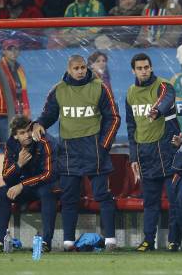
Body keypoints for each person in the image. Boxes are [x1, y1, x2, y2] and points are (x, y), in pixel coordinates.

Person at [32, 55, 120, 251]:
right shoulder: (58, 90)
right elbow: (49, 114)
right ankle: (68, 242)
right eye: (76, 68)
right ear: (69, 69)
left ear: (86, 67)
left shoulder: (99, 87)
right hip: (69, 150)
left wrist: (103, 145)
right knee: (68, 197)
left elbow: (113, 117)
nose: (80, 71)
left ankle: (111, 240)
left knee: (102, 195)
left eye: (82, 67)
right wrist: (38, 124)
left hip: (94, 149)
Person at [125, 53, 182, 251]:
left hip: (168, 151)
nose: (144, 71)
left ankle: (174, 241)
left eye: (146, 67)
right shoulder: (130, 93)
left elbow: (166, 98)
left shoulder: (164, 85)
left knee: (175, 201)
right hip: (145, 154)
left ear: (151, 67)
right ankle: (149, 240)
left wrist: (156, 111)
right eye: (139, 68)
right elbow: (131, 126)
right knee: (150, 202)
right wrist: (133, 156)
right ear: (133, 70)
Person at [0, 116, 58, 252]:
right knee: (2, 192)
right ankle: (0, 241)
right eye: (22, 133)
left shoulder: (43, 141)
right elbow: (6, 176)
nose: (28, 135)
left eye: (28, 131)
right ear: (15, 136)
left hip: (43, 185)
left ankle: (46, 242)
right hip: (26, 189)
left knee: (47, 192)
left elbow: (48, 175)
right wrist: (18, 165)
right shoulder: (11, 145)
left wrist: (22, 185)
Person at [0, 39, 31, 144]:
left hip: (18, 115)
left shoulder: (20, 70)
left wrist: (27, 113)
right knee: (13, 144)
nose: (13, 51)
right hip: (1, 116)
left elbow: (23, 94)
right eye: (10, 49)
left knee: (22, 145)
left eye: (16, 49)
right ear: (3, 51)